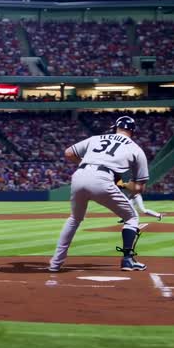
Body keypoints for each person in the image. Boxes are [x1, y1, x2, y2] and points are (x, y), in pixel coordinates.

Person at [49, 116, 150, 272]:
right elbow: (138, 188)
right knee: (131, 217)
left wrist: (86, 164)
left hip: (79, 175)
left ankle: (55, 263)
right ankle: (128, 260)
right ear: (132, 131)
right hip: (103, 179)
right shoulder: (136, 149)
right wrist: (121, 183)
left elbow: (68, 153)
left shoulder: (96, 138)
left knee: (75, 219)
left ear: (115, 127)